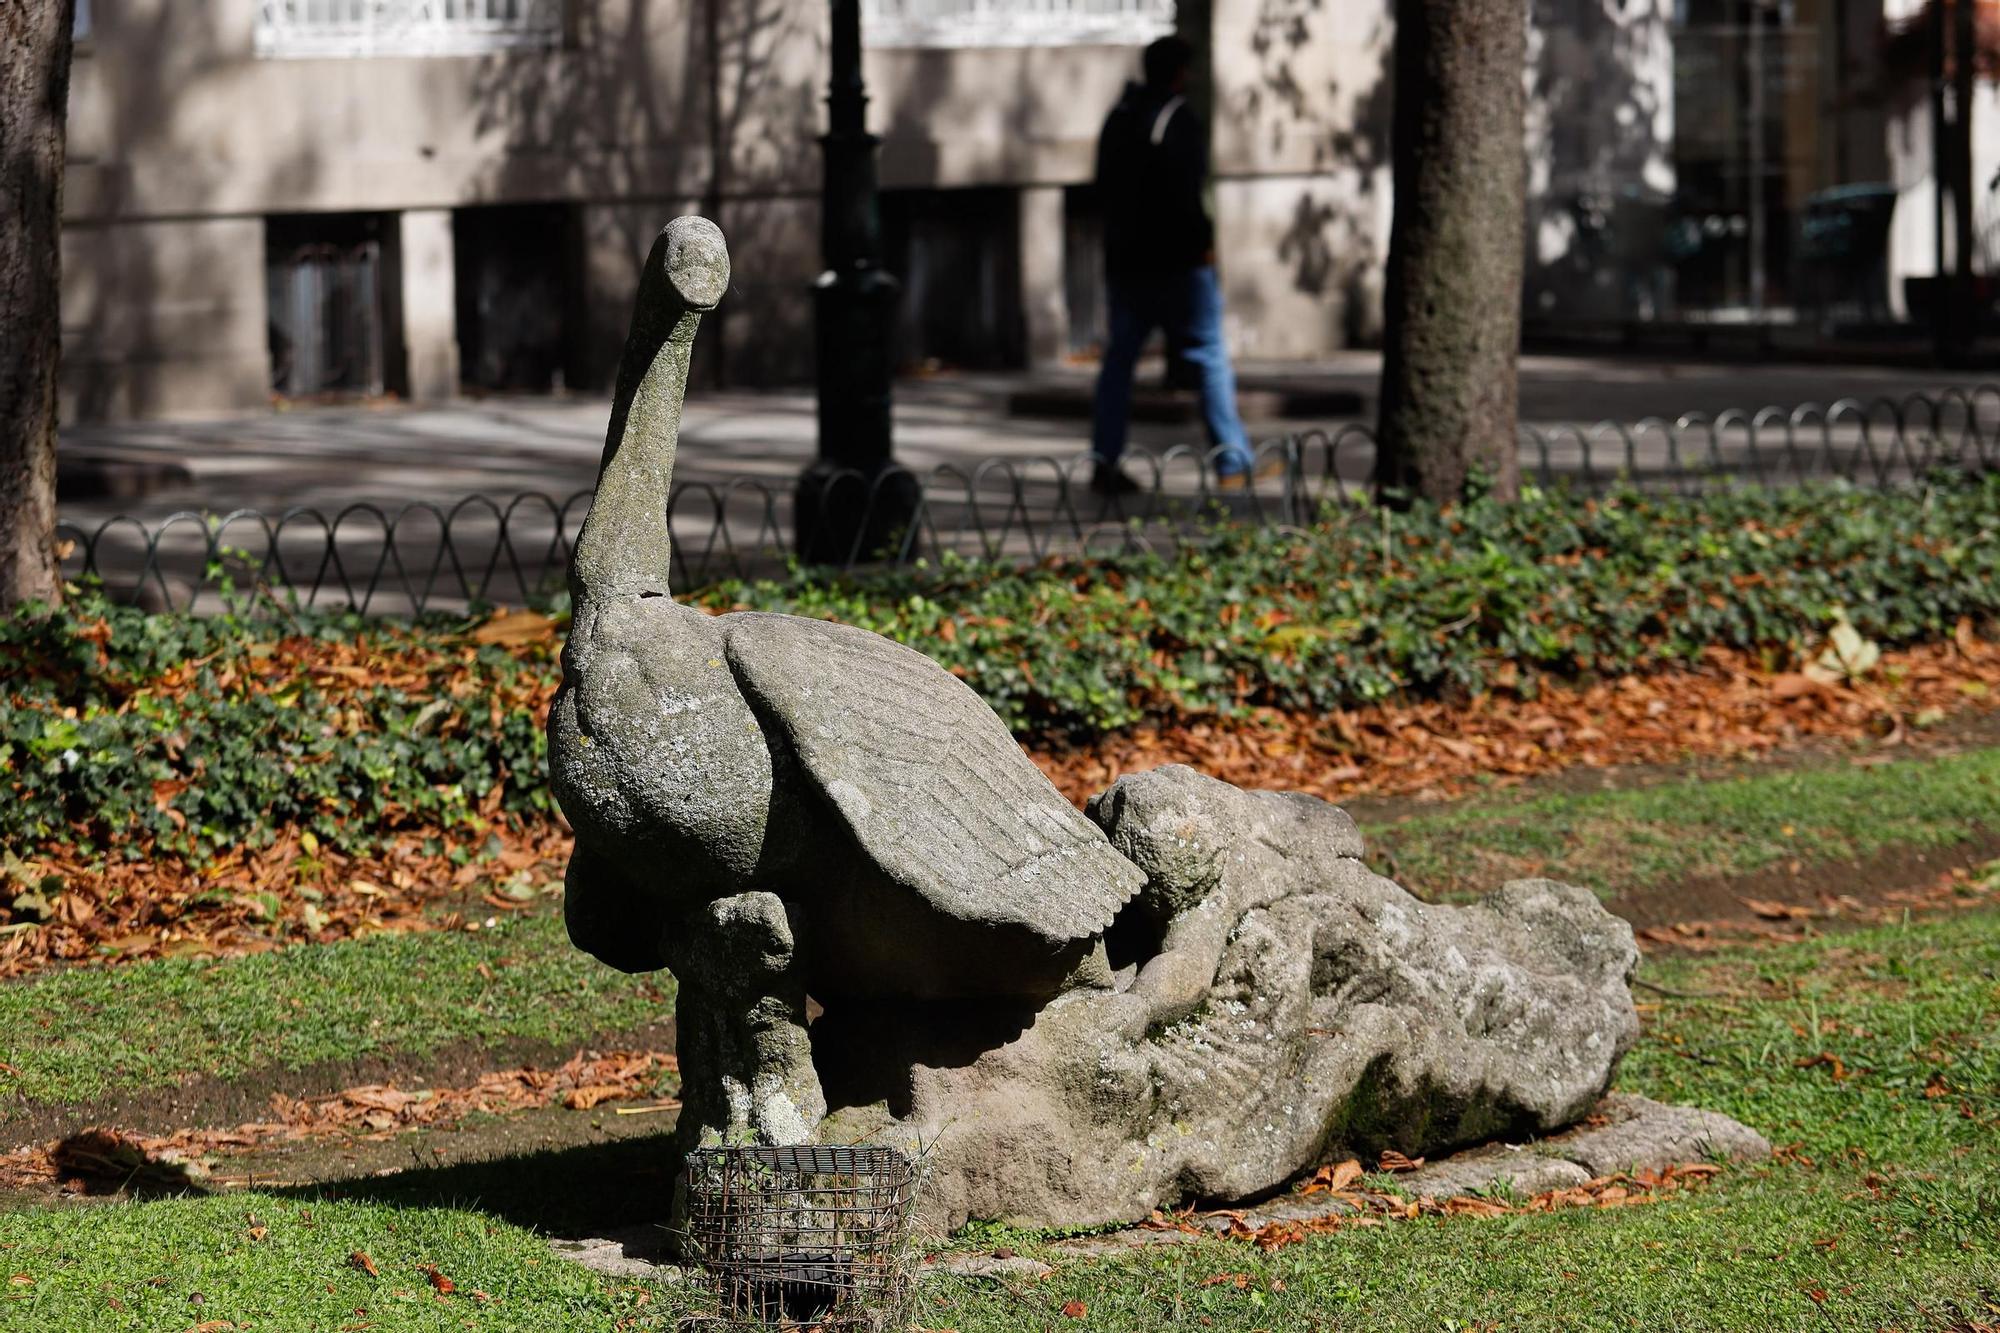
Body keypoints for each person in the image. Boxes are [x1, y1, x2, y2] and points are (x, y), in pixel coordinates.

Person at [1089, 36, 1265, 495]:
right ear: (1179, 73)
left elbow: (1103, 188)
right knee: (1208, 355)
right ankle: (1231, 460)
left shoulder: (1121, 117)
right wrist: (1203, 252)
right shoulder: (1177, 120)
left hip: (1127, 262)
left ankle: (1103, 461)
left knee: (1119, 362)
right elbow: (1187, 196)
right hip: (1177, 266)